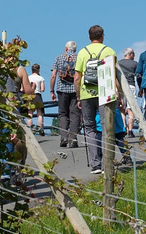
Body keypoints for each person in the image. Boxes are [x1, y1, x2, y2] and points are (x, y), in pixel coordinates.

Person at [74, 25, 117, 174]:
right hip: (105, 93)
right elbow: (115, 75)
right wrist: (120, 94)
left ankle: (95, 164)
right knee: (106, 128)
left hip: (86, 94)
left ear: (89, 37)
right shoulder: (109, 51)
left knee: (90, 128)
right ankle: (107, 163)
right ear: (102, 36)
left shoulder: (82, 52)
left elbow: (77, 77)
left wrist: (78, 96)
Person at [50, 41, 81, 148]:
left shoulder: (59, 58)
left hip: (62, 89)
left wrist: (51, 91)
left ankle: (63, 137)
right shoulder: (79, 58)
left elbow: (53, 75)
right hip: (75, 89)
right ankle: (73, 139)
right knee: (75, 114)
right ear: (75, 49)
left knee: (63, 114)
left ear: (66, 49)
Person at [118, 48, 138, 138]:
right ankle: (130, 130)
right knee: (131, 109)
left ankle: (124, 128)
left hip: (121, 87)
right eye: (133, 54)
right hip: (131, 86)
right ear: (130, 54)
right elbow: (138, 76)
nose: (134, 55)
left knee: (122, 108)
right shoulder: (134, 64)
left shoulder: (118, 63)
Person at [27, 64, 45, 136]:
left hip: (30, 96)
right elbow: (42, 89)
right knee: (39, 114)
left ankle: (30, 129)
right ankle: (41, 128)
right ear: (39, 69)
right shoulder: (41, 78)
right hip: (38, 95)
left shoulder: (28, 77)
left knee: (30, 113)